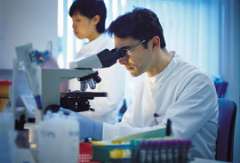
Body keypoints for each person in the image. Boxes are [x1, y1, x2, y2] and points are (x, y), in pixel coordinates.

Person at [76, 8, 219, 159]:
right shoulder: (142, 78)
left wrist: (98, 130)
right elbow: (128, 127)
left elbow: (167, 139)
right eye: (118, 53)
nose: (120, 61)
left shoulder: (196, 82)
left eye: (126, 51)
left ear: (154, 43)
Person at [68, 0, 126, 124]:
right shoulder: (83, 51)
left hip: (101, 128)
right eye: (72, 21)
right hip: (79, 123)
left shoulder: (110, 49)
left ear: (95, 19)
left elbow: (110, 99)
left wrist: (72, 106)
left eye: (78, 20)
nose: (73, 26)